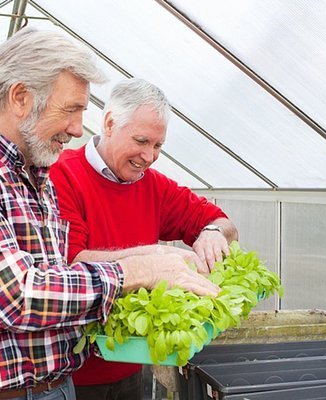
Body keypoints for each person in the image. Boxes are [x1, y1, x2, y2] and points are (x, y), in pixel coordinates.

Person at [0, 28, 219, 400]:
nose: (77, 128)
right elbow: (15, 295)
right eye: (70, 109)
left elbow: (57, 276)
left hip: (58, 387)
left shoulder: (37, 175)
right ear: (20, 97)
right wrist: (141, 269)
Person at [49, 78, 238, 400]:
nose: (149, 156)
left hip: (134, 361)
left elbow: (224, 224)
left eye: (158, 146)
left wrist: (211, 232)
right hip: (73, 372)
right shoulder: (62, 175)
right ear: (109, 124)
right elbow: (68, 264)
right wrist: (151, 260)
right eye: (141, 141)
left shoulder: (153, 185)